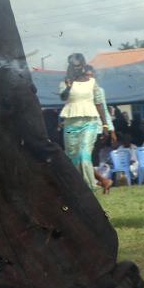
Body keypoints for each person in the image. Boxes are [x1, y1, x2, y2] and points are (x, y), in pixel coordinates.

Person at [58, 55, 114, 192]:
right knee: (73, 156)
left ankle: (90, 187)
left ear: (83, 66)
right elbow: (63, 97)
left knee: (84, 154)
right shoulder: (65, 82)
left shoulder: (92, 82)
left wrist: (105, 125)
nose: (76, 68)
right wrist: (69, 86)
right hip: (71, 124)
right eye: (73, 66)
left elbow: (99, 104)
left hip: (90, 122)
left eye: (78, 66)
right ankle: (79, 186)